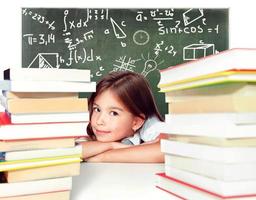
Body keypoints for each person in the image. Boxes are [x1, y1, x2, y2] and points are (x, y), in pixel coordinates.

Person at [80, 71, 165, 163]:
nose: (99, 121)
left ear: (136, 122)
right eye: (97, 109)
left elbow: (166, 150)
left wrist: (103, 157)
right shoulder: (89, 129)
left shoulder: (150, 126)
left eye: (113, 113)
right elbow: (72, 150)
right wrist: (111, 145)